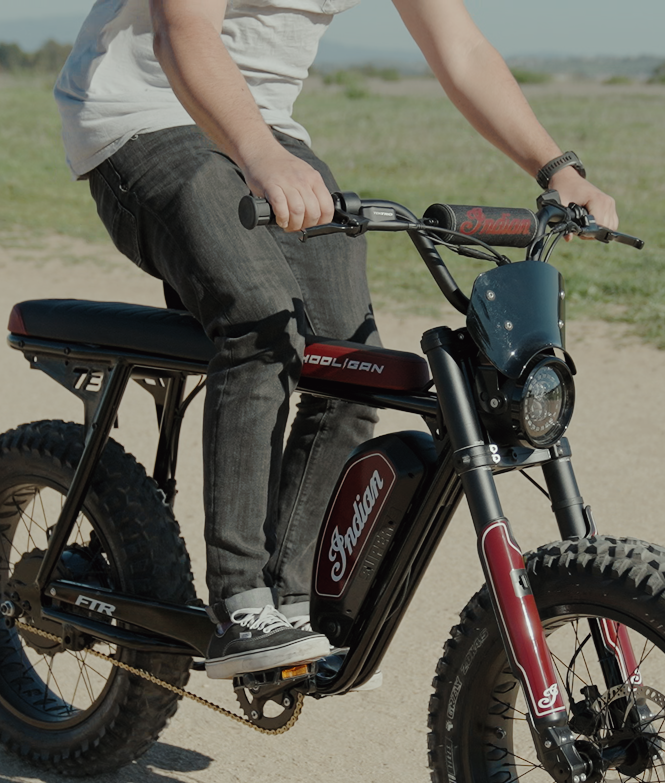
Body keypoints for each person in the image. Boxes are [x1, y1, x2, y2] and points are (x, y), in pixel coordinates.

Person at [55, 0, 618, 679]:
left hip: (265, 130)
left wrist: (557, 168)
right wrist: (257, 153)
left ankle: (289, 603)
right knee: (260, 320)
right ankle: (241, 601)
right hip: (143, 118)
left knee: (355, 364)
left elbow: (459, 48)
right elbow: (184, 32)